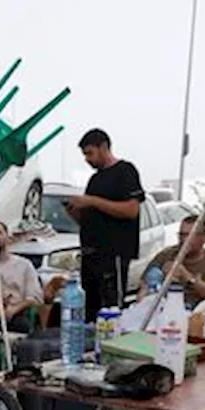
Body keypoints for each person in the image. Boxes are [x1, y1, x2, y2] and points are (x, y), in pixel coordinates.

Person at [64, 129, 146, 321]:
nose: (87, 159)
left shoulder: (125, 171)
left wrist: (93, 201)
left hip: (113, 253)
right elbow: (89, 220)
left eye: (90, 153)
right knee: (91, 308)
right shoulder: (95, 179)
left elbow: (131, 210)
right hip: (91, 254)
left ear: (104, 147)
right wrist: (75, 212)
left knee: (110, 307)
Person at [137, 215, 205, 308]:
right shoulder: (166, 256)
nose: (183, 240)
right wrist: (159, 279)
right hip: (168, 312)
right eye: (181, 235)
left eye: (190, 235)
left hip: (204, 314)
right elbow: (143, 289)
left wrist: (188, 278)